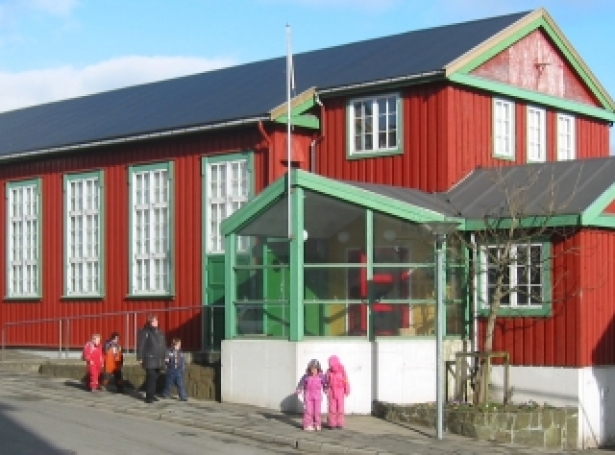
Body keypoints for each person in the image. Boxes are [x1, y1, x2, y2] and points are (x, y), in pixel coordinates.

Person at [136, 314, 167, 403]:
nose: (155, 322)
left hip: (159, 359)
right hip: (149, 358)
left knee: (155, 377)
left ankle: (152, 395)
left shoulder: (160, 332)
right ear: (149, 322)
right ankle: (148, 397)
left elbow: (164, 345)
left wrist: (166, 356)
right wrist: (140, 357)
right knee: (151, 377)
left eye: (156, 320)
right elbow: (141, 345)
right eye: (153, 321)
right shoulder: (146, 332)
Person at [295, 359, 327, 431]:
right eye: (312, 369)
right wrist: (299, 389)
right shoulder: (306, 376)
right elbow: (301, 383)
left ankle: (317, 424)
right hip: (308, 395)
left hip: (317, 396)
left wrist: (326, 389)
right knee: (309, 411)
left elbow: (325, 384)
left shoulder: (321, 376)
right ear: (309, 369)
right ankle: (307, 424)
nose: (313, 371)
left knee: (317, 411)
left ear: (318, 369)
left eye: (315, 369)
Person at [325, 355, 350, 429]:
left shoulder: (342, 370)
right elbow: (326, 381)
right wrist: (326, 389)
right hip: (331, 391)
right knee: (332, 408)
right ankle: (331, 423)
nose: (331, 365)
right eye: (330, 364)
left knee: (340, 408)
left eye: (332, 364)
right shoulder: (328, 372)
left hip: (340, 391)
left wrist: (347, 389)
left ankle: (340, 423)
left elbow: (345, 380)